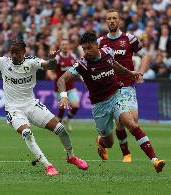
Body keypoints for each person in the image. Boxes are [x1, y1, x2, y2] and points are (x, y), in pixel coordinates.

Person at [0, 32, 88, 176]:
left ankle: (71, 156)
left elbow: (50, 66)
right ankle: (47, 165)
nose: (14, 55)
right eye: (12, 52)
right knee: (27, 133)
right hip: (14, 109)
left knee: (61, 129)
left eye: (17, 52)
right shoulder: (4, 62)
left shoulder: (32, 62)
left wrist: (52, 59)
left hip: (31, 105)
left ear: (24, 52)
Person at [57, 31, 165, 173]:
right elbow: (61, 80)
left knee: (132, 124)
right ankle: (101, 141)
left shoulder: (108, 52)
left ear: (97, 45)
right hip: (99, 106)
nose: (86, 52)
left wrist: (129, 73)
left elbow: (115, 65)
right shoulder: (82, 64)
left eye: (89, 48)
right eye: (84, 49)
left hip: (116, 97)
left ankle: (155, 160)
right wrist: (64, 96)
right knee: (109, 143)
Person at [97, 9, 150, 163]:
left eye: (114, 18)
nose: (112, 21)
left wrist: (141, 72)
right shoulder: (101, 42)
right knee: (122, 122)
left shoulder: (130, 39)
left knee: (132, 121)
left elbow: (144, 56)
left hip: (128, 86)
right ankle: (126, 154)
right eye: (109, 19)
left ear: (119, 20)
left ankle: (102, 140)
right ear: (106, 21)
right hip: (111, 89)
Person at [46, 39, 80, 132]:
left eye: (66, 44)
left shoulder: (73, 57)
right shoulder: (57, 58)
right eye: (63, 44)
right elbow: (49, 69)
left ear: (69, 46)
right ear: (60, 47)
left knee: (76, 106)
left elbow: (78, 68)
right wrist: (51, 75)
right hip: (60, 88)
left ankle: (67, 119)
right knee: (62, 107)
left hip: (71, 87)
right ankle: (59, 125)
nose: (65, 46)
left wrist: (82, 77)